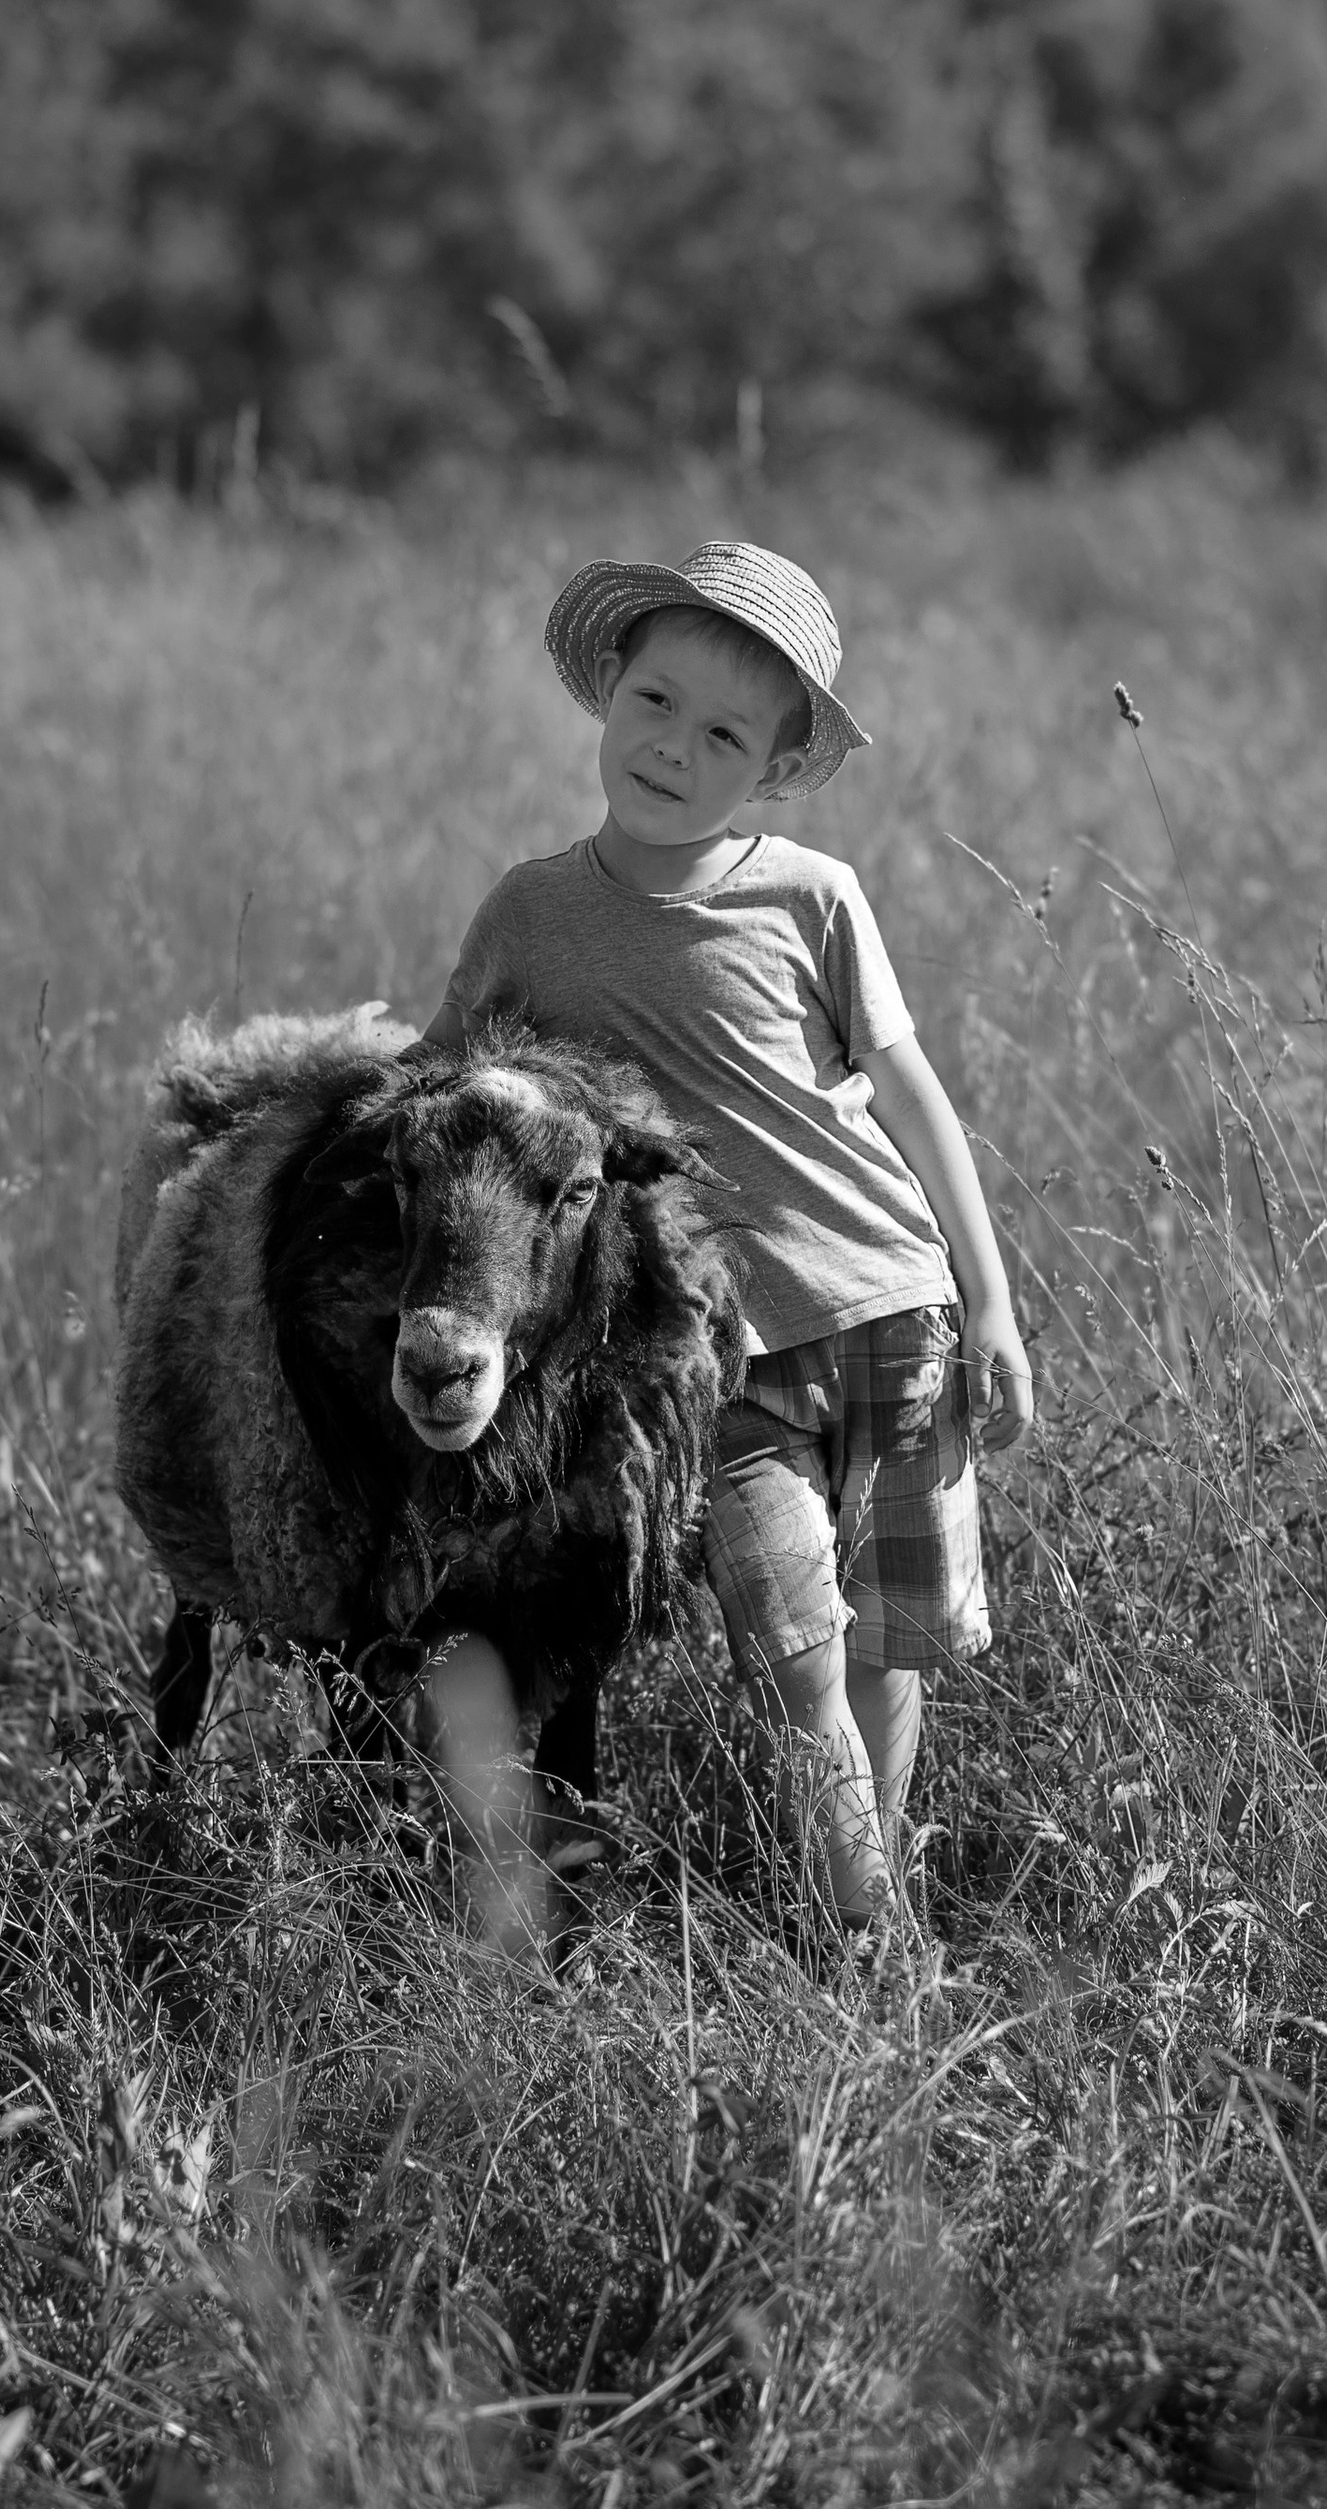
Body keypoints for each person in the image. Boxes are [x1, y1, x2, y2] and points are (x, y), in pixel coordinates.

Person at [416, 541, 1034, 1929]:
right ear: (606, 696)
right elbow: (443, 1087)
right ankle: (880, 1955)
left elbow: (916, 1102)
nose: (674, 750)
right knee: (795, 1663)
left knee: (885, 1654)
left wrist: (989, 1303)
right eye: (653, 703)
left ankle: (859, 1906)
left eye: (722, 735)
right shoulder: (532, 910)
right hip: (718, 1359)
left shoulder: (813, 896)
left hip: (893, 1311)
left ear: (767, 768)